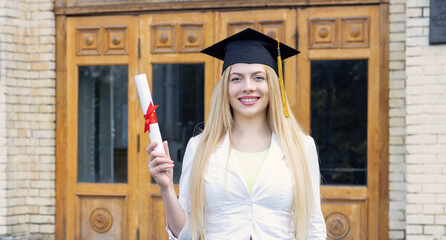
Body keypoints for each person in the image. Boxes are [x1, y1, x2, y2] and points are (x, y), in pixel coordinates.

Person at [146, 28, 327, 240]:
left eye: (258, 77)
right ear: (226, 87)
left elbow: (313, 227)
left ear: (273, 85)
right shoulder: (200, 147)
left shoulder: (301, 146)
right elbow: (185, 234)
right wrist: (166, 188)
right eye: (236, 79)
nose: (248, 87)